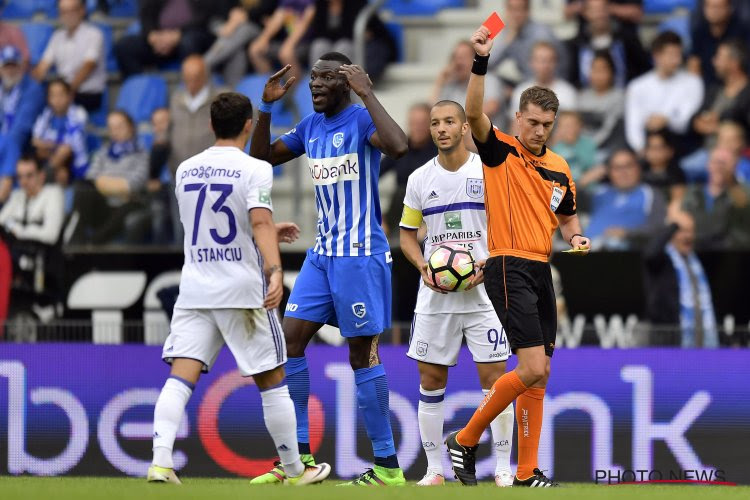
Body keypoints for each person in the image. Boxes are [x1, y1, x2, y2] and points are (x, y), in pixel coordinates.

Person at [147, 91, 330, 485]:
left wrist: (254, 231)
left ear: (212, 125)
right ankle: (297, 469)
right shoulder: (254, 169)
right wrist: (275, 268)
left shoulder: (185, 169)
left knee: (181, 376)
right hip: (241, 289)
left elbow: (210, 224)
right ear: (249, 125)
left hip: (196, 286)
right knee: (272, 377)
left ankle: (160, 462)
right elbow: (260, 221)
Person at [249, 52, 409, 486]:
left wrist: (368, 92)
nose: (315, 85)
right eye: (313, 79)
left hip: (360, 256)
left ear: (345, 82)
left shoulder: (360, 120)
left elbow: (398, 145)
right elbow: (259, 159)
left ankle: (388, 467)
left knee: (361, 355)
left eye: (324, 79)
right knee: (292, 339)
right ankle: (297, 461)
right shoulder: (311, 127)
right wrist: (266, 106)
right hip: (322, 255)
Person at [445, 26, 589, 488]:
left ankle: (526, 472)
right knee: (529, 368)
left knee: (541, 374)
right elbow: (470, 112)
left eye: (546, 125)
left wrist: (578, 236)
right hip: (507, 264)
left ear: (554, 124)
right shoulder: (499, 150)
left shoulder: (560, 168)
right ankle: (465, 439)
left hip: (542, 269)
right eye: (531, 122)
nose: (538, 131)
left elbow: (567, 217)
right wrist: (481, 60)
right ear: (517, 117)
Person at [399, 100, 514, 487]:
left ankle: (502, 468)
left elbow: (507, 227)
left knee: (496, 380)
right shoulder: (418, 179)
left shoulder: (488, 172)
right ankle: (434, 470)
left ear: (465, 128)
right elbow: (406, 236)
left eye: (450, 121)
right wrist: (423, 267)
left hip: (486, 292)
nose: (441, 128)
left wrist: (491, 262)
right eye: (435, 123)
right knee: (430, 380)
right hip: (437, 296)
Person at [68, 110, 149, 245]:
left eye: (119, 126)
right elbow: (91, 178)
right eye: (111, 128)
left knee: (131, 206)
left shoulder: (141, 153)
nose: (115, 131)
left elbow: (134, 184)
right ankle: (76, 243)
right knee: (82, 190)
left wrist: (104, 183)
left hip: (128, 205)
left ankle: (93, 243)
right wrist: (120, 187)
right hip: (104, 204)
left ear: (131, 127)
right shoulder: (103, 152)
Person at [643, 208, 719, 347]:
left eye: (690, 231)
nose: (687, 236)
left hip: (701, 341)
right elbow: (650, 253)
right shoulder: (662, 261)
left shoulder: (696, 262)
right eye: (682, 231)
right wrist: (672, 226)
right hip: (668, 341)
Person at [624, 31, 704, 153]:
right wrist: (641, 149)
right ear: (656, 56)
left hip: (683, 144)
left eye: (679, 55)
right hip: (647, 147)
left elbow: (686, 118)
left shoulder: (693, 82)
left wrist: (666, 120)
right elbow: (633, 124)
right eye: (671, 55)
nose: (676, 60)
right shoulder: (637, 86)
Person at [33, 0, 106, 113]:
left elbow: (88, 66)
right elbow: (43, 66)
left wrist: (66, 92)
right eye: (63, 12)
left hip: (86, 93)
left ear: (82, 11)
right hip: (62, 92)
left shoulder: (94, 34)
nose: (68, 15)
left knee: (56, 99)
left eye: (72, 11)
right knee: (34, 99)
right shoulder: (57, 36)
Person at [586, 149, 667, 250]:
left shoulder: (650, 194)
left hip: (624, 253)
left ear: (638, 168)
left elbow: (658, 227)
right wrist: (583, 181)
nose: (623, 172)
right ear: (609, 172)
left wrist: (627, 233)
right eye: (617, 168)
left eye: (628, 166)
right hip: (585, 252)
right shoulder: (599, 193)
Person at [114, 0, 215, 79]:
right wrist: (152, 36)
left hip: (191, 36)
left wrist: (178, 34)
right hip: (159, 39)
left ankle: (189, 89)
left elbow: (204, 17)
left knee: (189, 42)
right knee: (125, 47)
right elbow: (146, 14)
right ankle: (139, 91)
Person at [567, 0, 649, 88]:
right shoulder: (577, 45)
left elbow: (643, 70)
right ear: (585, 13)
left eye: (603, 9)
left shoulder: (627, 40)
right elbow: (572, 77)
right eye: (594, 10)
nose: (599, 15)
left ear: (609, 10)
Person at [307, 0, 395, 82]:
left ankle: (343, 90)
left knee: (343, 47)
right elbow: (318, 32)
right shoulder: (321, 4)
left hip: (362, 48)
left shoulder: (356, 3)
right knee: (319, 45)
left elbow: (353, 32)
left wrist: (336, 34)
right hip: (336, 44)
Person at [0, 45, 45, 204]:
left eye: (14, 65)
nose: (10, 70)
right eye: (6, 66)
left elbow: (21, 130)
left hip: (24, 149)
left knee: (11, 143)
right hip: (4, 146)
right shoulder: (2, 88)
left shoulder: (33, 89)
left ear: (22, 66)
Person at [682, 147, 750, 250]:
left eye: (723, 163)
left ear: (734, 166)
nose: (719, 167)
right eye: (715, 162)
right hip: (697, 250)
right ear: (708, 165)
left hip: (734, 253)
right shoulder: (693, 192)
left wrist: (732, 185)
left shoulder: (744, 193)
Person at [690, 40, 750, 152]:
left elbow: (743, 124)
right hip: (707, 151)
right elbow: (696, 118)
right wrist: (704, 123)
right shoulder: (714, 89)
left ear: (734, 63)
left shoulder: (747, 92)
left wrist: (718, 125)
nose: (714, 62)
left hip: (737, 154)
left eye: (719, 58)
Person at [488, 0, 568, 83]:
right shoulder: (508, 33)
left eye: (519, 9)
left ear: (528, 11)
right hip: (525, 83)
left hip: (549, 83)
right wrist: (508, 40)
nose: (515, 15)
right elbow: (488, 65)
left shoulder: (542, 33)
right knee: (490, 79)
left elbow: (562, 66)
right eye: (511, 9)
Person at [203, 0, 275, 88]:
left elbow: (266, 9)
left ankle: (205, 63)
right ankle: (231, 88)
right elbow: (223, 13)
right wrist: (231, 22)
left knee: (243, 29)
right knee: (237, 48)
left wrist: (243, 17)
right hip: (232, 28)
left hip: (259, 29)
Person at [432, 41, 502, 126]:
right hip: (459, 136)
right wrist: (440, 82)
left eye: (463, 57)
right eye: (455, 58)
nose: (458, 62)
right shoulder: (451, 86)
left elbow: (492, 107)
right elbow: (434, 113)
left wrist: (457, 122)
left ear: (475, 60)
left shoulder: (489, 79)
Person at [508, 41, 577, 127]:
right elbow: (515, 127)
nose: (545, 65)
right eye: (540, 60)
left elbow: (570, 129)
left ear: (556, 63)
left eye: (550, 60)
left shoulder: (567, 93)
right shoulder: (520, 91)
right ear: (531, 63)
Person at [31, 78, 89, 181]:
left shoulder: (79, 113)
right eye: (53, 95)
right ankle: (46, 175)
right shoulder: (45, 115)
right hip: (51, 157)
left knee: (64, 150)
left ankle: (42, 178)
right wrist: (52, 146)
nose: (57, 99)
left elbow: (72, 143)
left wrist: (49, 144)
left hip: (72, 160)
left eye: (61, 95)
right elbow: (35, 141)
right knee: (60, 172)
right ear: (48, 98)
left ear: (70, 96)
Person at [0, 155, 64, 246]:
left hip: (44, 254)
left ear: (41, 175)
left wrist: (20, 231)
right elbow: (2, 221)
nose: (24, 181)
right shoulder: (17, 195)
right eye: (20, 177)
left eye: (29, 176)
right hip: (20, 254)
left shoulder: (53, 193)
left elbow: (51, 235)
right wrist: (12, 225)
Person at [248, 0, 315, 81]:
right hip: (285, 42)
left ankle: (294, 89)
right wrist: (263, 39)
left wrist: (289, 45)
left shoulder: (311, 2)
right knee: (255, 50)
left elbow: (304, 23)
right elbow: (277, 20)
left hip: (306, 43)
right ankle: (271, 85)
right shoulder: (285, 2)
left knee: (286, 54)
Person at [577, 49, 626, 156]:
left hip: (607, 149)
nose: (598, 75)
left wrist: (590, 146)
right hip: (581, 148)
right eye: (594, 69)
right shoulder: (582, 97)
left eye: (603, 70)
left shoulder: (619, 97)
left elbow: (609, 129)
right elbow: (577, 126)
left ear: (612, 72)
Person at [688, 0, 748, 87]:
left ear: (729, 8)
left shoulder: (742, 30)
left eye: (718, 7)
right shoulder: (699, 31)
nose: (714, 11)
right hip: (707, 87)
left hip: (737, 88)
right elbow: (694, 63)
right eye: (710, 6)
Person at [549, 110, 597, 185]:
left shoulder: (589, 144)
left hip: (587, 189)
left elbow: (598, 169)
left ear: (580, 126)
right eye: (564, 126)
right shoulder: (554, 147)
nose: (568, 129)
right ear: (558, 128)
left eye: (572, 125)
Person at [641, 129, 686, 205]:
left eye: (658, 148)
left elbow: (678, 201)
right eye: (651, 148)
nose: (655, 153)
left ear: (670, 151)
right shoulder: (639, 171)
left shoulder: (676, 173)